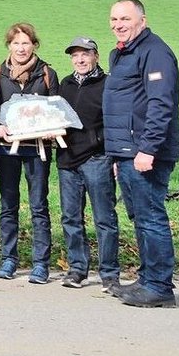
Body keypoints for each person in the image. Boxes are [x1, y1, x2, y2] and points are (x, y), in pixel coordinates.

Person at [103, 0, 179, 308]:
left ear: (142, 21)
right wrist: (117, 155)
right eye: (114, 19)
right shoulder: (123, 53)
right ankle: (148, 279)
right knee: (140, 218)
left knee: (151, 218)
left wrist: (148, 149)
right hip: (127, 152)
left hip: (146, 152)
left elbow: (161, 104)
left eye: (125, 19)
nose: (118, 25)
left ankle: (159, 287)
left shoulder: (154, 52)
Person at [0, 22, 60, 284]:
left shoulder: (47, 74)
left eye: (26, 43)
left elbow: (57, 109)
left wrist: (51, 128)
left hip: (37, 150)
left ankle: (40, 264)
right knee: (8, 205)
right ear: (9, 45)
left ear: (34, 45)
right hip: (6, 149)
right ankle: (8, 259)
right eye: (16, 43)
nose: (21, 48)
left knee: (39, 205)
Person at [57, 36, 119, 292]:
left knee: (104, 219)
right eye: (75, 55)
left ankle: (109, 274)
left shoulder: (108, 83)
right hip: (67, 160)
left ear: (96, 56)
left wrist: (111, 153)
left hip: (97, 159)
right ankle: (77, 269)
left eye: (85, 54)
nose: (80, 60)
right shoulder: (65, 84)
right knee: (71, 218)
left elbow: (115, 121)